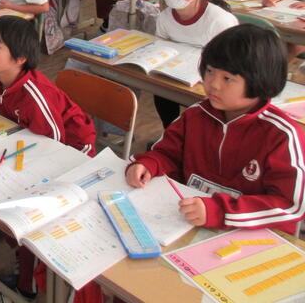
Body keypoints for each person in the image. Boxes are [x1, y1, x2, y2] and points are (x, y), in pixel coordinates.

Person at [127, 25, 305, 236]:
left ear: (261, 80)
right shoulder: (195, 115)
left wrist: (220, 212)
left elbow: (288, 205)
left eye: (227, 78)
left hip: (252, 238)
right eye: (210, 71)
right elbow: (167, 154)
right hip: (190, 224)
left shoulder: (282, 135)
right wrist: (149, 164)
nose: (213, 84)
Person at [0, 15, 96, 302]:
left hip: (73, 151)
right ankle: (16, 242)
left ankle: (25, 289)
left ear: (20, 59)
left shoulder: (34, 93)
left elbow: (55, 146)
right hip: (32, 142)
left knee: (30, 214)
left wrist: (31, 181)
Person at [153, 0, 238, 127]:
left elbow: (232, 64)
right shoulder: (164, 17)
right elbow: (161, 47)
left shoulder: (220, 21)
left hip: (212, 80)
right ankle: (170, 131)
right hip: (177, 74)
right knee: (161, 89)